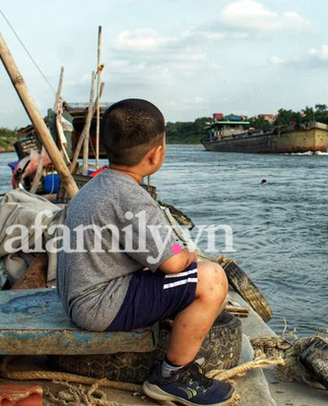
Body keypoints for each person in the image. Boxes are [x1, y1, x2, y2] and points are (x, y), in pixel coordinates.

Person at [57, 99, 234, 406]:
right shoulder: (131, 198)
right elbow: (174, 261)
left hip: (78, 297)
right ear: (157, 153)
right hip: (99, 306)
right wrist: (187, 250)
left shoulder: (95, 186)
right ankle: (171, 376)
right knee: (213, 279)